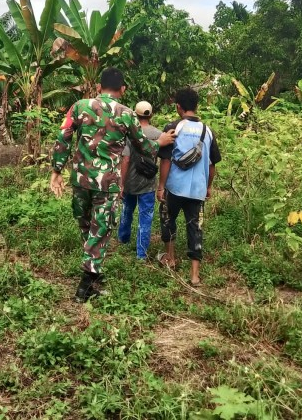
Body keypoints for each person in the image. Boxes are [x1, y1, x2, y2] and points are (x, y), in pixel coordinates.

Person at [50, 68, 175, 302]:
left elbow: (63, 136)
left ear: (99, 87)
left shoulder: (79, 106)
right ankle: (85, 286)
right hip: (107, 183)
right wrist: (160, 142)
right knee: (100, 230)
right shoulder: (127, 114)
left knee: (87, 228)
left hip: (81, 180)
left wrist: (56, 170)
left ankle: (93, 273)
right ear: (123, 89)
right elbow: (144, 148)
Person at [156, 87, 221, 286]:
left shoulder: (174, 127)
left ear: (178, 107)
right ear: (196, 106)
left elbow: (166, 161)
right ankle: (194, 276)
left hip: (175, 187)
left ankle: (171, 258)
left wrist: (161, 186)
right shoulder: (207, 131)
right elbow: (212, 166)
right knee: (195, 227)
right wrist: (208, 188)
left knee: (168, 218)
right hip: (198, 190)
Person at [117, 101, 162, 261]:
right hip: (148, 183)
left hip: (130, 181)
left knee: (126, 211)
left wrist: (121, 183)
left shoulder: (130, 134)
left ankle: (123, 239)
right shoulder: (158, 134)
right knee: (146, 218)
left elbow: (126, 159)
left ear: (135, 115)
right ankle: (141, 254)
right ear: (151, 115)